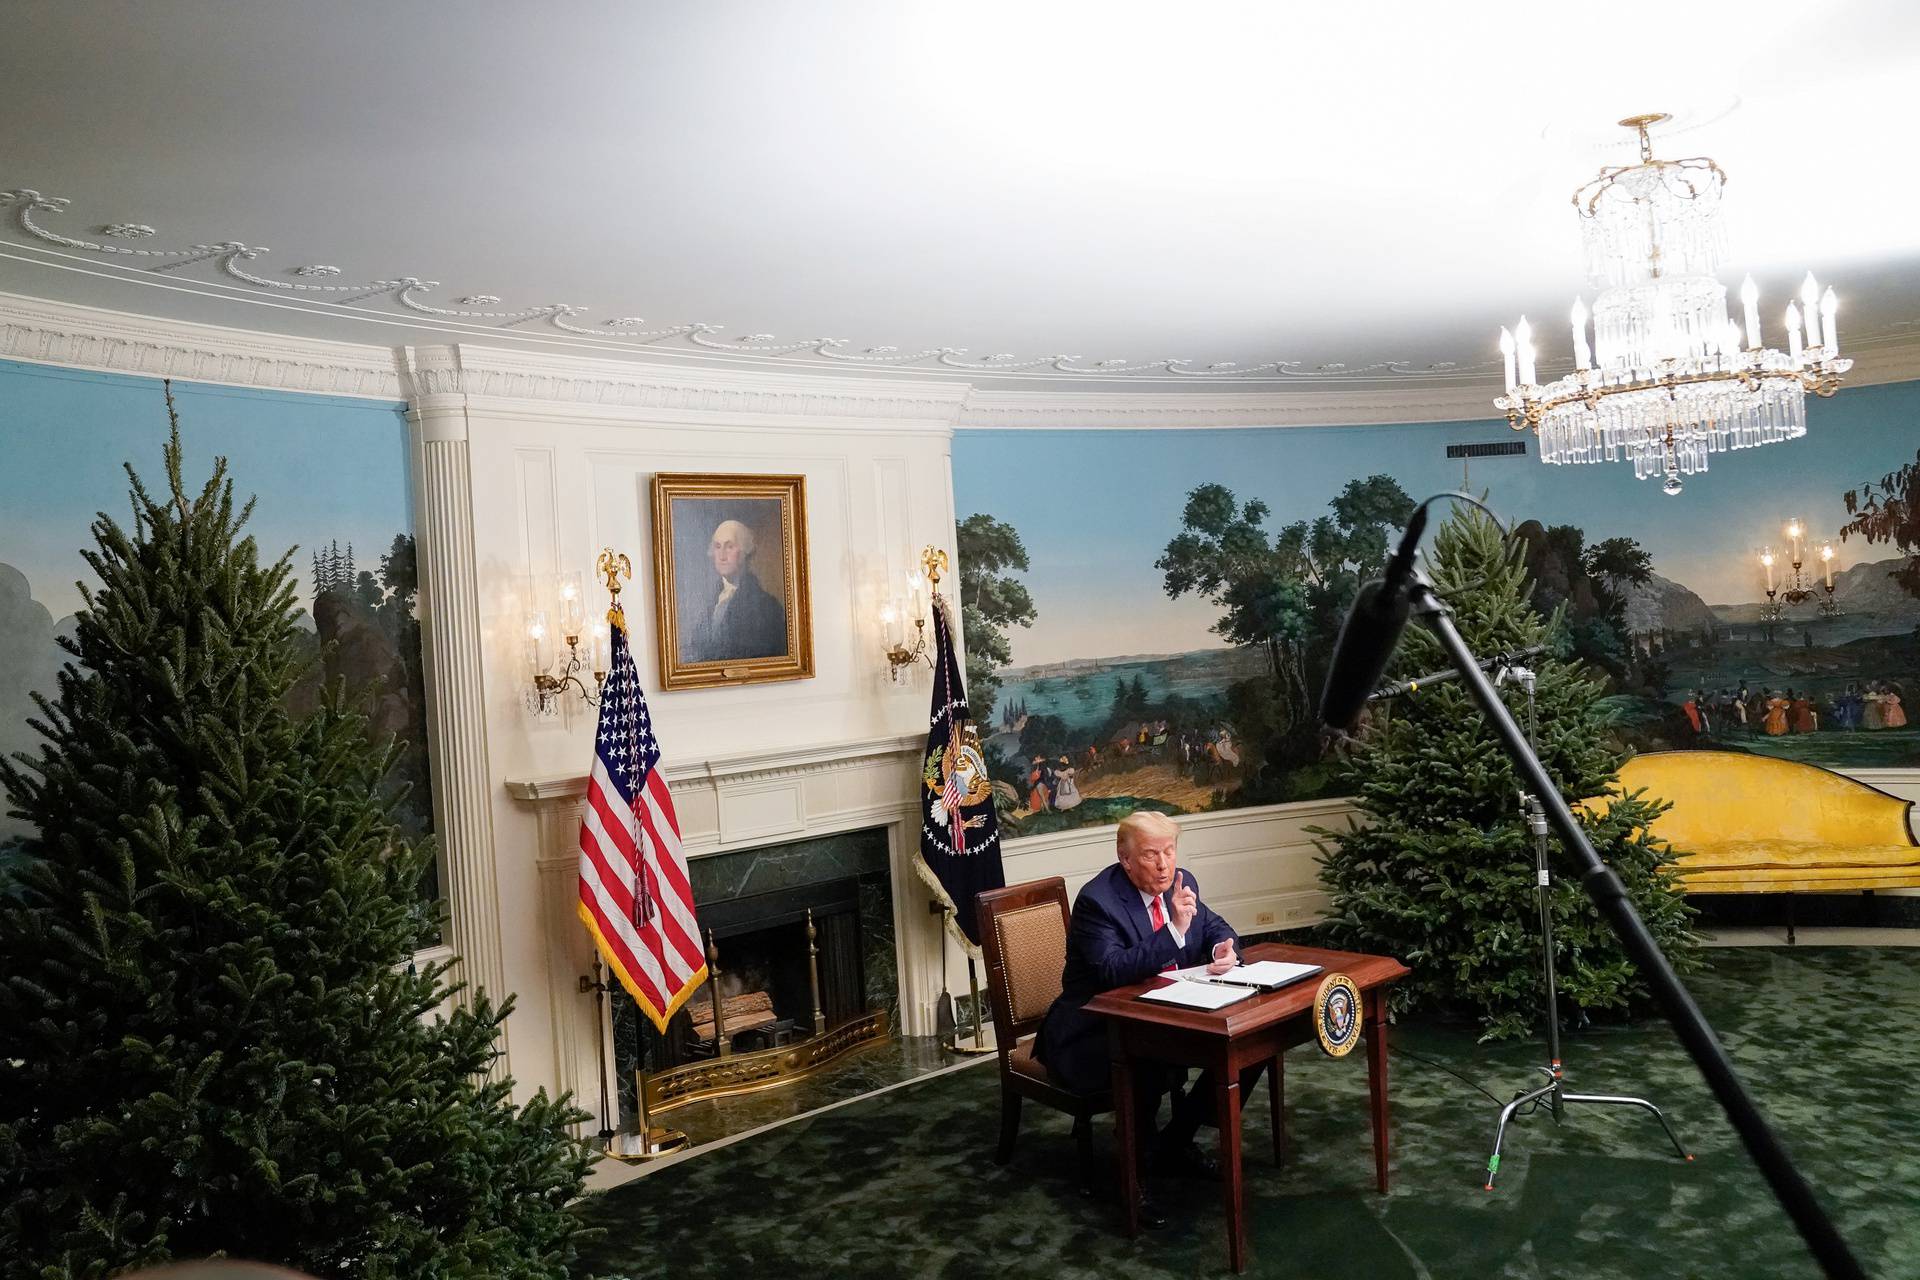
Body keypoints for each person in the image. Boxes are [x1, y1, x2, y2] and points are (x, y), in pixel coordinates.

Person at [1034, 811, 1262, 1226]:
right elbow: (1112, 971)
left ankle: (1176, 1141)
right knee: (1147, 1066)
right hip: (1092, 1031)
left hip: (1166, 1016)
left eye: (1170, 852)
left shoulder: (1182, 881)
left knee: (1249, 1043)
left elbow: (1213, 926)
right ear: (1125, 859)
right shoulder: (1097, 902)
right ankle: (1132, 1183)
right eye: (1151, 855)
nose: (1164, 864)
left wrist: (1222, 949)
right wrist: (1174, 930)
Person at [686, 519, 787, 663]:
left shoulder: (767, 606)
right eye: (717, 546)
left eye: (729, 546)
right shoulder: (708, 601)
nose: (722, 555)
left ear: (745, 551)